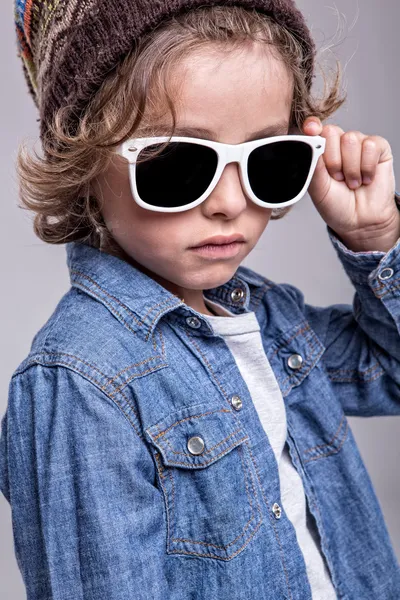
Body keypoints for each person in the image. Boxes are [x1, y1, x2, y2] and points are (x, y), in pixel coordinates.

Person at [1, 1, 399, 598]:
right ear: (81, 164)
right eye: (180, 164)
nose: (229, 202)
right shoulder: (80, 383)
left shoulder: (271, 320)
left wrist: (374, 240)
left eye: (270, 159)